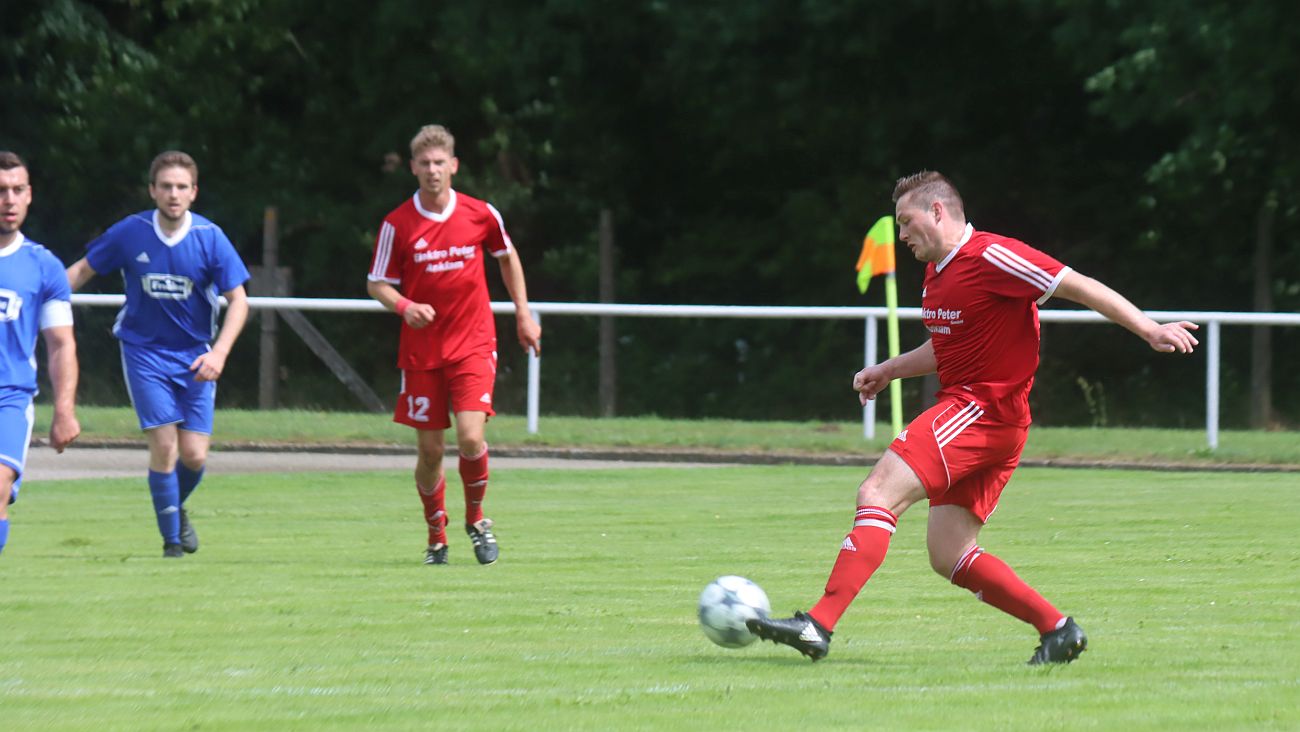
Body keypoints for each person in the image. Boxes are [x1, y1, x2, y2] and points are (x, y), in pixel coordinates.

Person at [747, 171, 1199, 664]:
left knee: (877, 493)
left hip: (979, 411)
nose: (901, 235)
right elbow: (945, 347)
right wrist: (888, 370)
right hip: (993, 422)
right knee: (950, 554)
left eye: (906, 221)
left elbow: (1079, 285)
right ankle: (1059, 630)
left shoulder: (990, 255)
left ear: (938, 212)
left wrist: (1149, 329)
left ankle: (818, 624)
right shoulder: (938, 272)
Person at [367, 124, 542, 566]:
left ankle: (478, 521)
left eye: (439, 162)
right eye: (424, 163)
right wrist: (405, 305)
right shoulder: (397, 224)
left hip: (474, 343)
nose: (432, 170)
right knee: (429, 451)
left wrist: (523, 312)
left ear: (454, 166)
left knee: (469, 436)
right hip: (422, 352)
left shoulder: (480, 213)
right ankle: (436, 535)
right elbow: (377, 283)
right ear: (413, 168)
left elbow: (507, 257)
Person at [66, 151, 249, 559]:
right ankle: (171, 545)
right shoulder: (130, 232)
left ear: (194, 192)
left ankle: (173, 508)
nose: (173, 194)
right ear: (152, 190)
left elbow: (239, 301)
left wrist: (219, 353)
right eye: (165, 186)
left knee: (195, 455)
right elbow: (80, 271)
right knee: (165, 447)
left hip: (196, 357)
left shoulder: (209, 237)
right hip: (144, 352)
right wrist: (42, 302)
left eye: (181, 186)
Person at [0, 151, 81, 556]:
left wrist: (63, 409)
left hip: (9, 399)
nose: (8, 200)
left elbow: (61, 343)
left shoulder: (43, 266)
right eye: (0, 191)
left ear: (29, 195)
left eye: (17, 191)